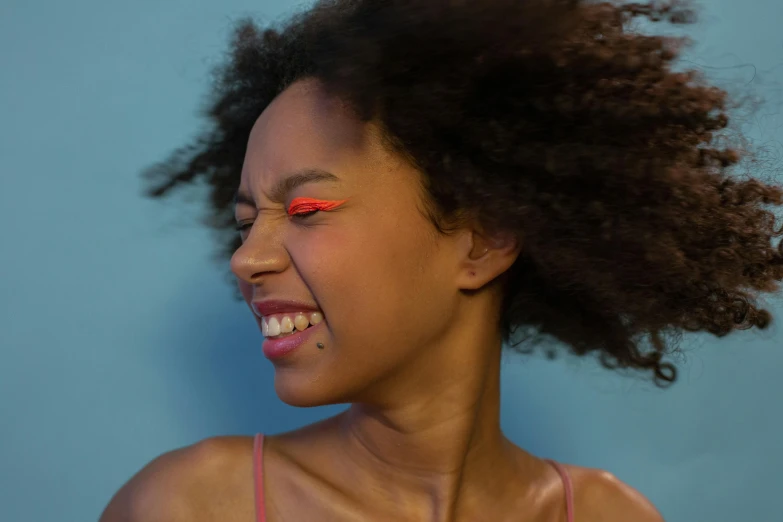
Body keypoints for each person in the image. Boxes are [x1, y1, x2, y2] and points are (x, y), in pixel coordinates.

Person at [100, 0, 783, 520]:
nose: (246, 260)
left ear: (481, 242)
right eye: (246, 223)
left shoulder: (609, 515)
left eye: (304, 211)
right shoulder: (195, 504)